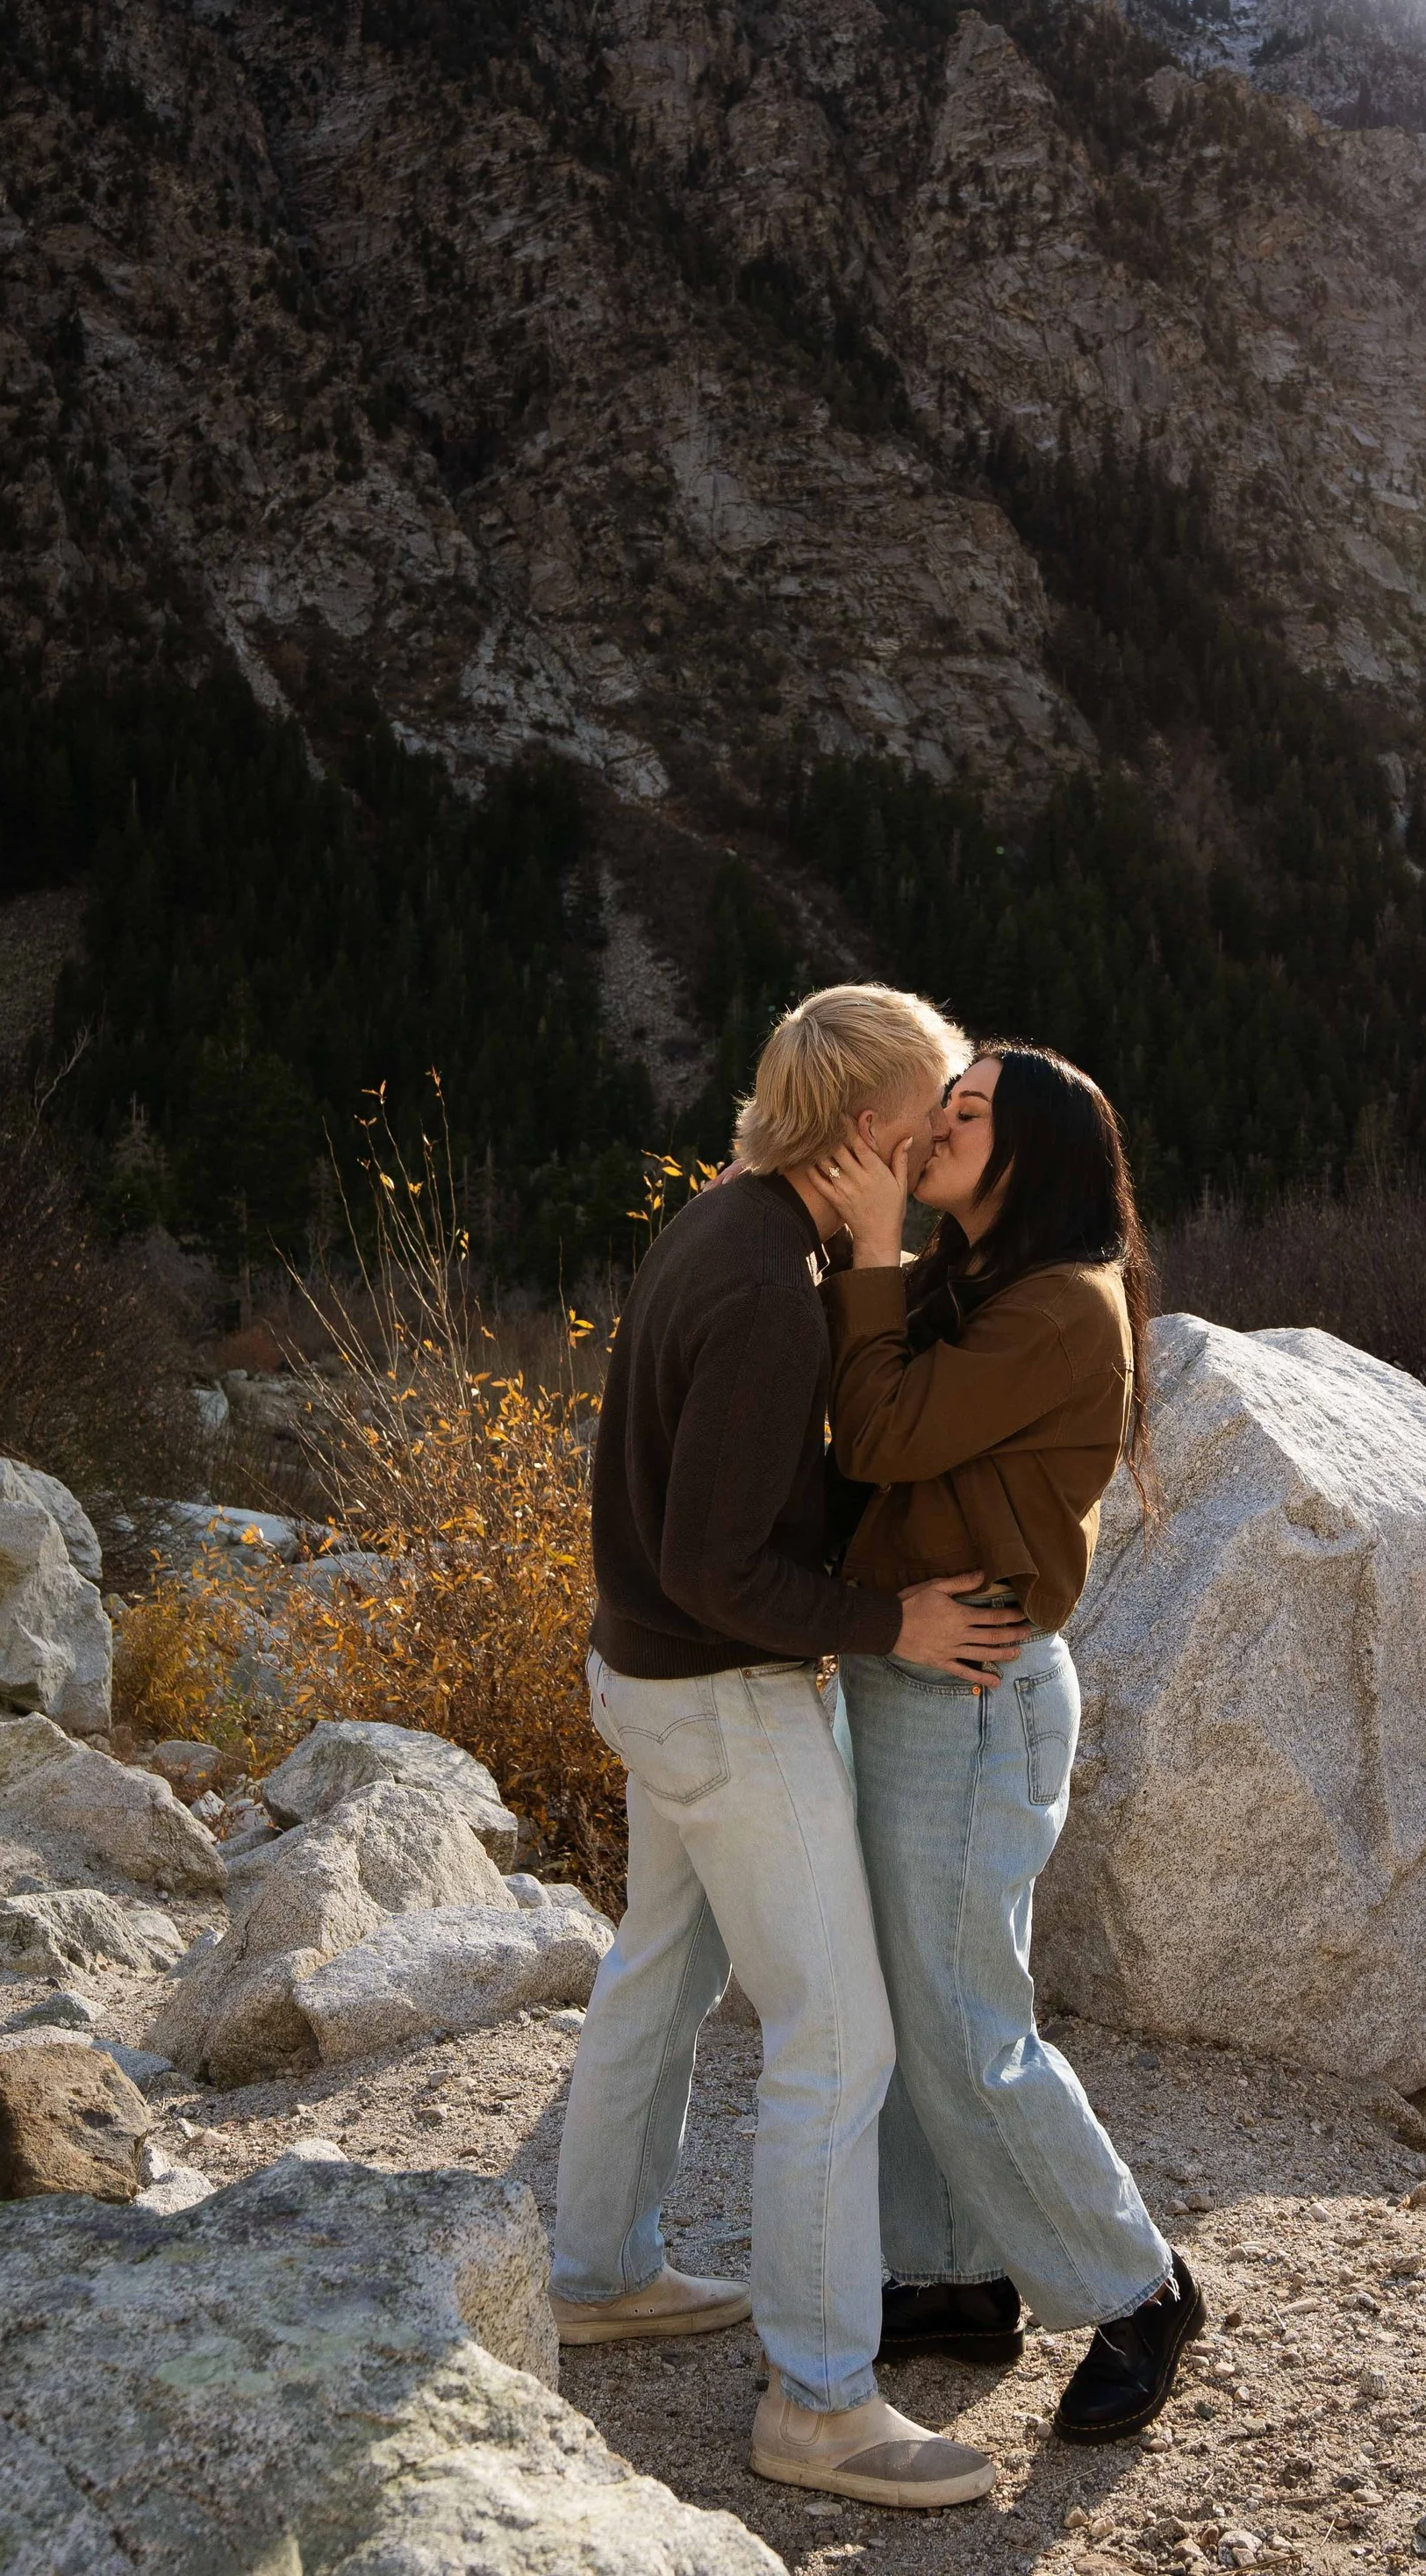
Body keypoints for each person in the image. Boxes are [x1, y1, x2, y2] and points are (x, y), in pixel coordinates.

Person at [550, 984, 1031, 2511]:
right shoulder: (768, 1286)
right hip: (722, 1693)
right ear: (876, 1129)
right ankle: (819, 2401)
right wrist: (893, 1619)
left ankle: (597, 2270)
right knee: (837, 2034)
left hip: (644, 1675)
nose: (954, 1126)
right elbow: (717, 1559)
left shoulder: (736, 1221)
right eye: (940, 1108)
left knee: (663, 1971)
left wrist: (870, 1266)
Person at [817, 1045, 1206, 2443]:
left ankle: (1140, 2284)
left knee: (972, 2019)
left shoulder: (1059, 1304)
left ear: (1030, 1152)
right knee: (922, 1995)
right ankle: (952, 2273)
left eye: (964, 1113)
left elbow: (878, 1428)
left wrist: (869, 1242)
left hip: (975, 1694)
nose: (933, 1126)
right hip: (920, 1678)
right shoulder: (982, 1280)